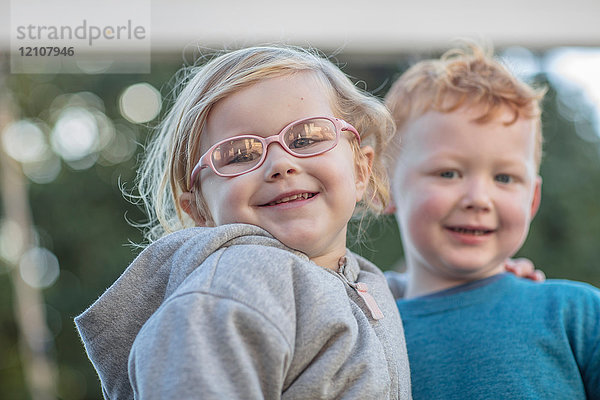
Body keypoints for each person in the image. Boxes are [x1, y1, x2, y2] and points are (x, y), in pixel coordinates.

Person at [75, 45, 412, 399]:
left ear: (361, 169)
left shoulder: (369, 283)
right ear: (200, 211)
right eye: (239, 154)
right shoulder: (230, 291)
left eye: (307, 137)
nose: (280, 164)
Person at [384, 44, 600, 399]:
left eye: (503, 178)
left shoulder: (576, 316)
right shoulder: (363, 334)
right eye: (448, 172)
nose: (478, 199)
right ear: (385, 188)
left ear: (532, 199)